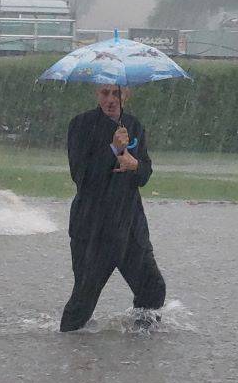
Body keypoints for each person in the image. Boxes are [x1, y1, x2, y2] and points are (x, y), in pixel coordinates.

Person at [60, 84, 166, 333]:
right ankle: (71, 352)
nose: (110, 99)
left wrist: (135, 165)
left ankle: (141, 343)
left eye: (116, 93)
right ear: (97, 94)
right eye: (105, 93)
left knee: (152, 288)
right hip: (93, 229)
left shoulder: (134, 125)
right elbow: (81, 176)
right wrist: (114, 150)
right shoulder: (81, 125)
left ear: (126, 94)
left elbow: (144, 173)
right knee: (82, 302)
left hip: (130, 228)